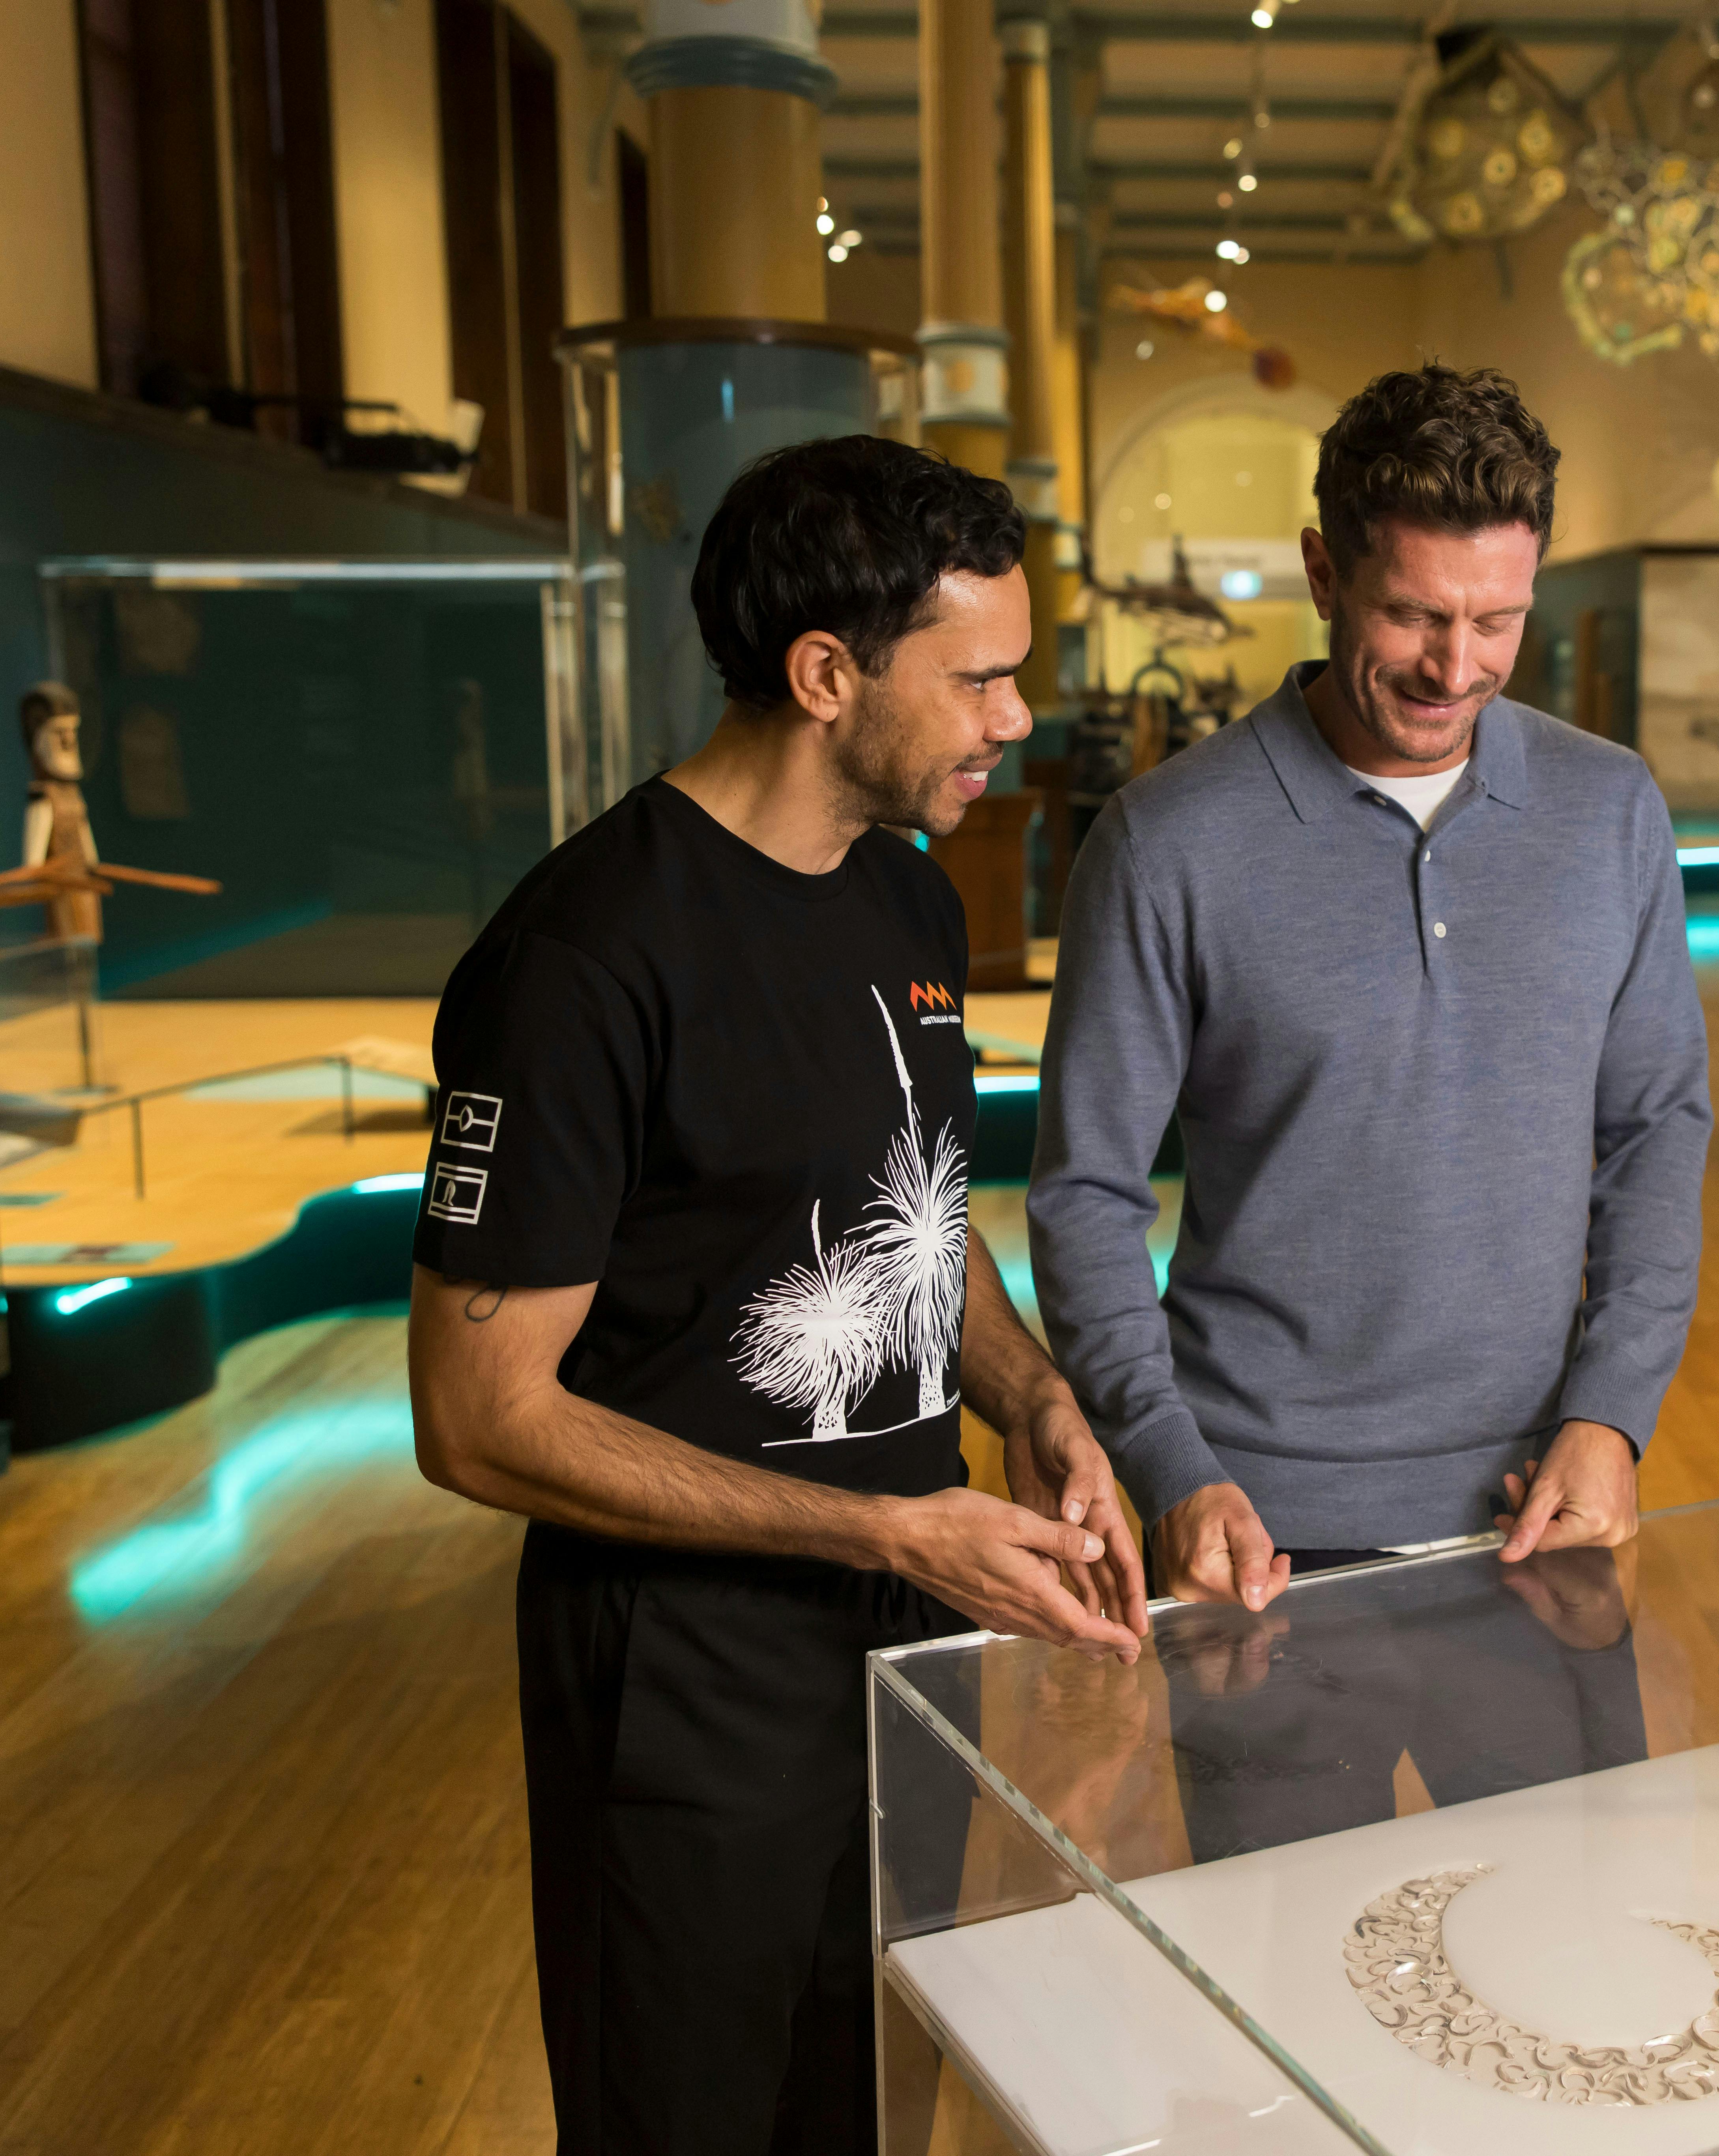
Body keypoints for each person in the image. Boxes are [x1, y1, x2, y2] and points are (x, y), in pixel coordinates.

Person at [405, 435, 1148, 2156]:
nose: (1015, 717)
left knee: (863, 2104)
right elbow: (476, 1420)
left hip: (899, 1651)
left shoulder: (905, 894)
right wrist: (891, 1532)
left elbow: (913, 1219)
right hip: (683, 1681)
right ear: (825, 674)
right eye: (976, 677)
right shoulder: (577, 959)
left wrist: (1034, 1406)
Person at [1029, 363, 1709, 1848]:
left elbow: (1657, 1128)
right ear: (1325, 572)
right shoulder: (1166, 844)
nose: (1454, 665)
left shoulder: (1610, 811)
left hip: (1539, 1508)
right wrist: (1171, 1465)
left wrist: (1617, 1413)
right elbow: (1083, 1194)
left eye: (1497, 621)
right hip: (1263, 1537)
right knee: (1291, 1988)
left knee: (1561, 1974)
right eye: (1413, 614)